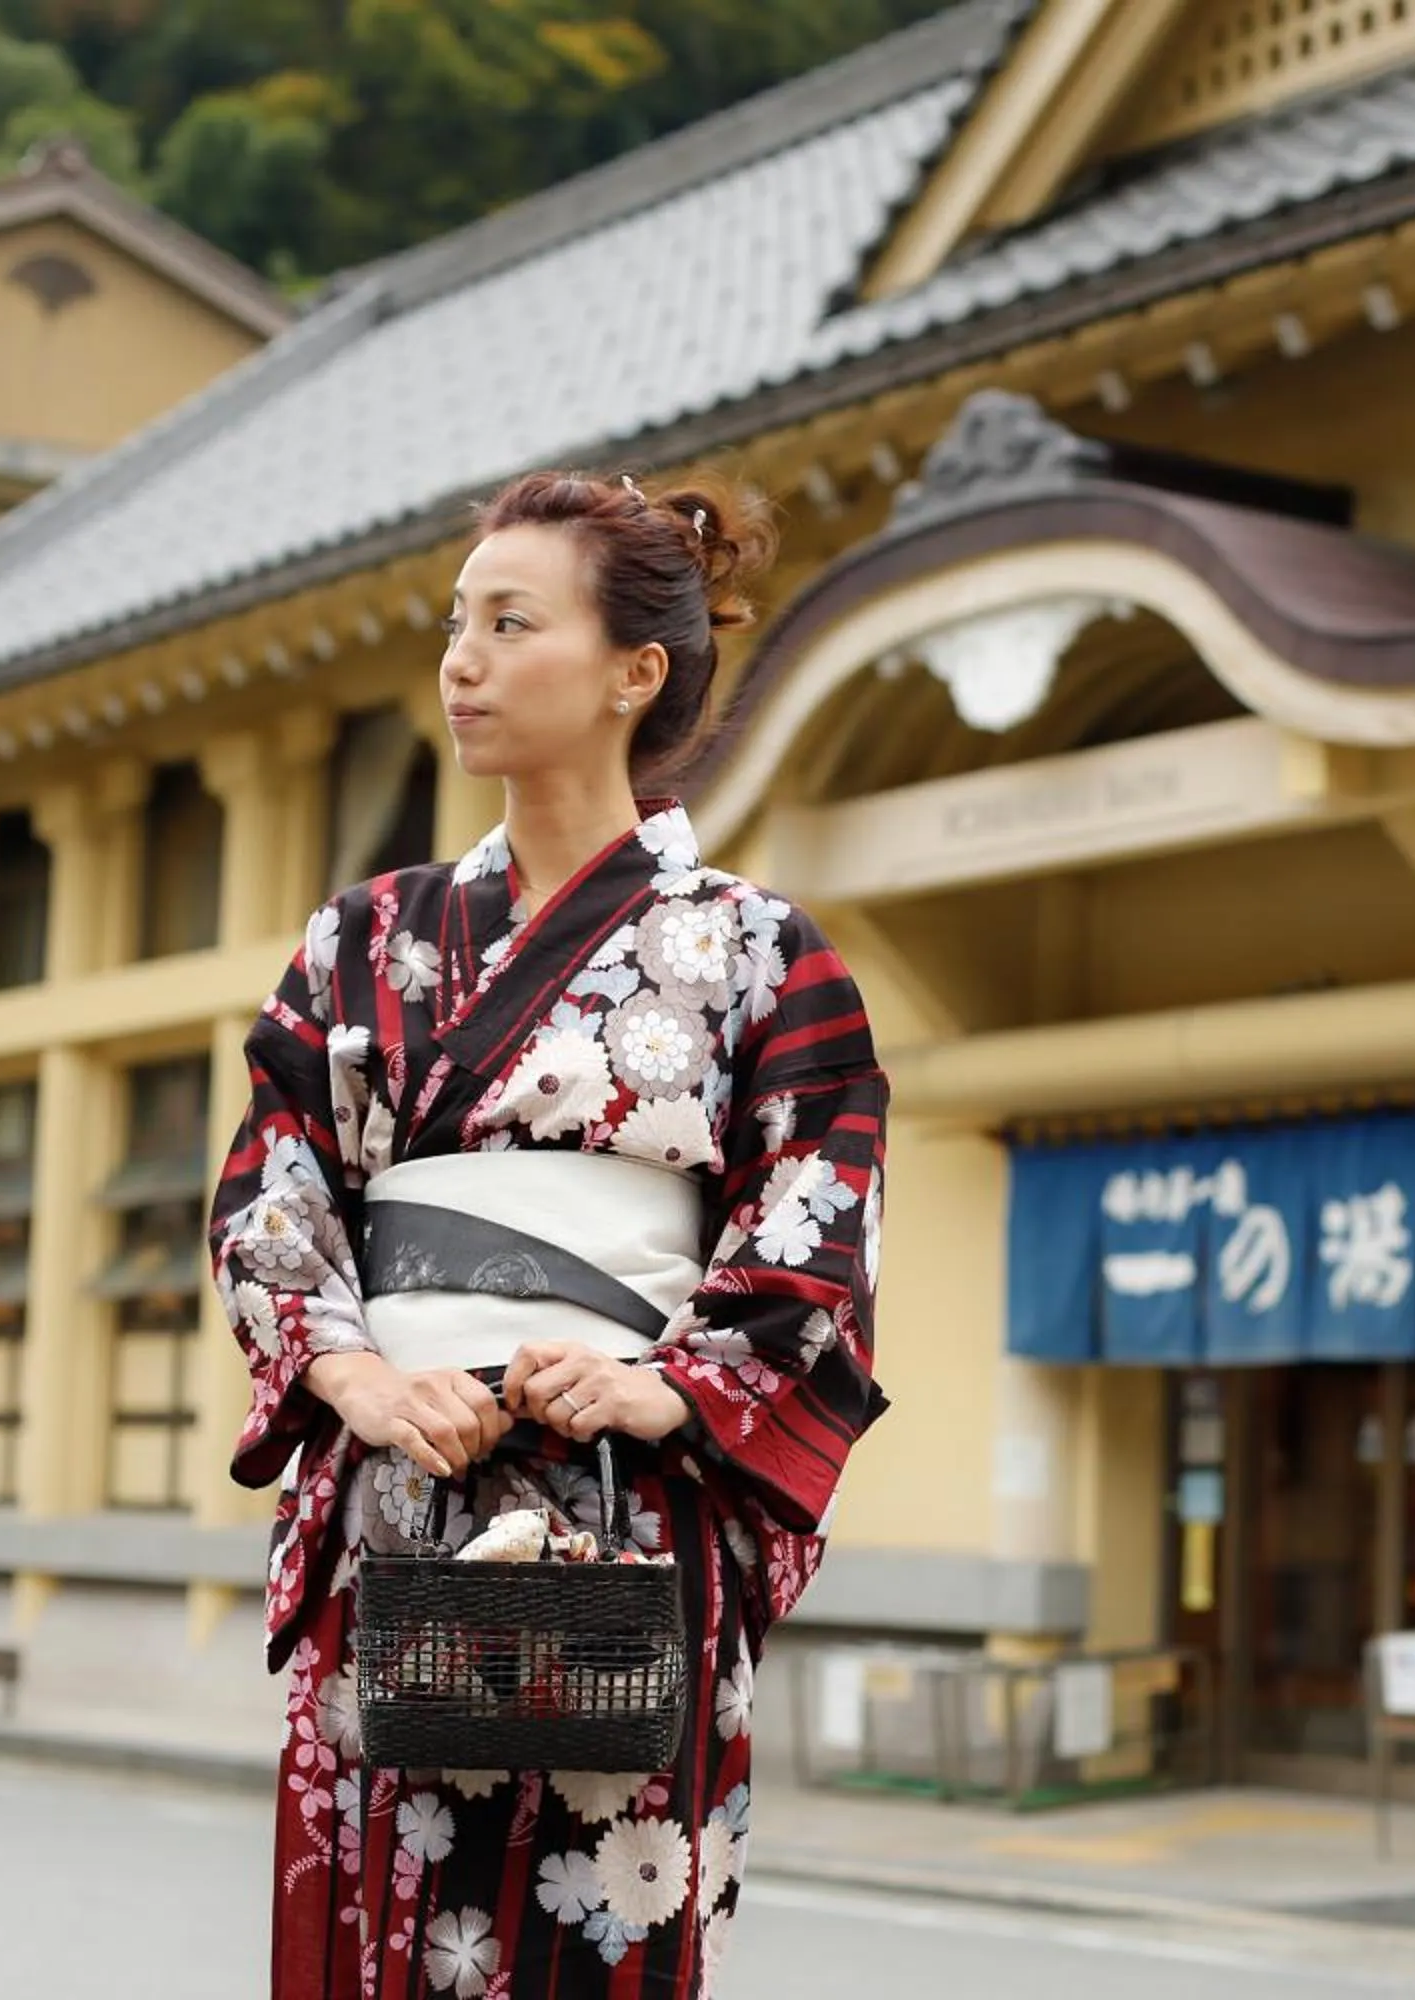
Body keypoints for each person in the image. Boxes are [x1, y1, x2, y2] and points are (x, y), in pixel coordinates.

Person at [210, 468, 890, 1998]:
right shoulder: (362, 943)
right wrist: (363, 1384)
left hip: (627, 1513)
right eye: (458, 623)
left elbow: (821, 1206)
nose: (461, 659)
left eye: (511, 623)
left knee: (598, 1918)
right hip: (402, 1495)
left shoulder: (758, 953)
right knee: (380, 1917)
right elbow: (275, 1182)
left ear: (633, 673)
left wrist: (677, 1387)